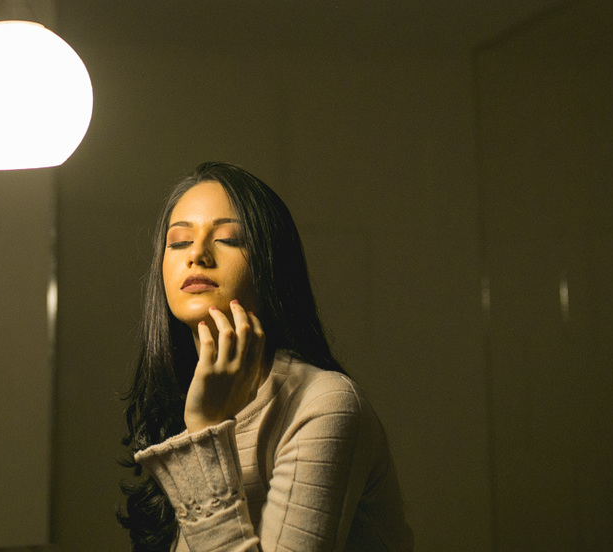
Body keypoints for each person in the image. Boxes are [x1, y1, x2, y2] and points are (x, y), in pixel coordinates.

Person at [118, 162, 413, 552]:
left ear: (270, 265)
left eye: (229, 239)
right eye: (179, 241)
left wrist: (205, 430)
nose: (198, 254)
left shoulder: (326, 404)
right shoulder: (180, 402)